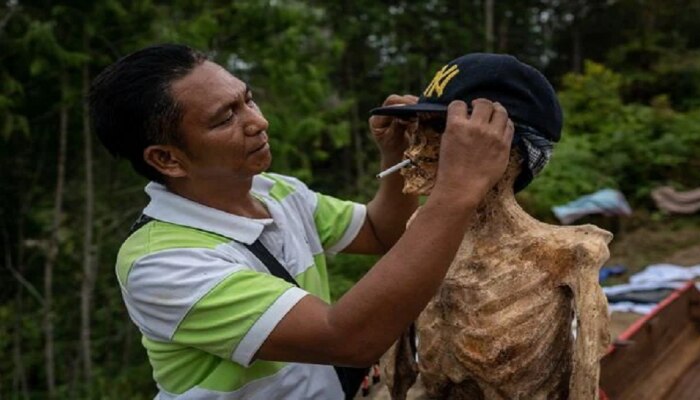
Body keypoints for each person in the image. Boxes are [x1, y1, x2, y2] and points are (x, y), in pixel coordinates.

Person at [89, 44, 513, 399]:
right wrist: (458, 190)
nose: (258, 121)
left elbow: (380, 232)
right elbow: (348, 339)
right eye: (225, 118)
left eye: (247, 99)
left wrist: (398, 158)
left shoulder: (275, 192)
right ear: (167, 158)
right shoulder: (164, 263)